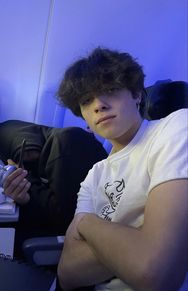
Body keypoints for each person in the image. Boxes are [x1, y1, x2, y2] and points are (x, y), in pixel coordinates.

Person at [55, 47, 188, 291]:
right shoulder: (94, 175)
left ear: (137, 94)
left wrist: (86, 223)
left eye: (109, 90)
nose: (98, 105)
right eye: (86, 100)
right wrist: (139, 241)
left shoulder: (175, 128)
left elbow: (154, 273)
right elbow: (68, 272)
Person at [0, 121, 107, 255]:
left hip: (83, 231)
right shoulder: (39, 157)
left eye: (22, 148)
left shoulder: (65, 142)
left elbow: (65, 217)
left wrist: (27, 182)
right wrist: (24, 197)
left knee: (0, 237)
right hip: (65, 220)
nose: (26, 156)